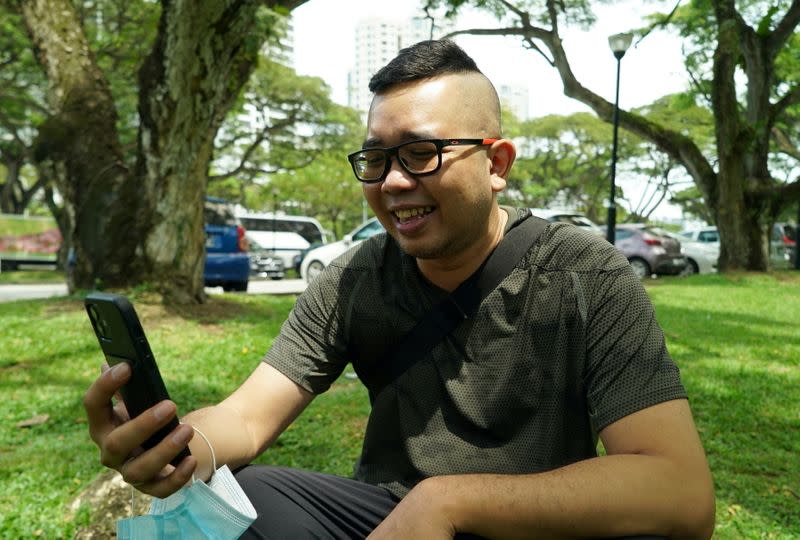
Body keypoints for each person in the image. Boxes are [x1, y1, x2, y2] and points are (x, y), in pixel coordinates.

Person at [84, 40, 715, 539]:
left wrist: (449, 501)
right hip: (390, 521)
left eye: (421, 154)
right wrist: (177, 446)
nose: (391, 182)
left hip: (535, 523)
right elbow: (247, 416)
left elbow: (681, 493)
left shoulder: (586, 277)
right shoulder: (357, 276)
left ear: (495, 164)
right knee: (248, 498)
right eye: (376, 158)